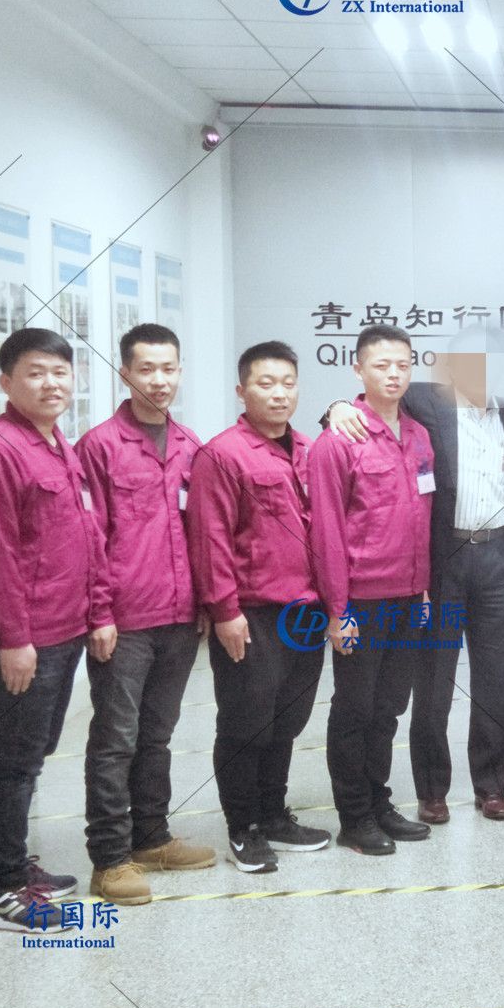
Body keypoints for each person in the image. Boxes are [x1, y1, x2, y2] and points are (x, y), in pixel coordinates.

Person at [327, 332, 504, 821]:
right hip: (445, 561)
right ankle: (432, 790)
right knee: (434, 682)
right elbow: (369, 404)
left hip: (497, 560)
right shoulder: (426, 402)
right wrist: (334, 407)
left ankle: (491, 785)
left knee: (495, 681)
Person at [0, 328, 111, 931]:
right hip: (27, 638)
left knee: (33, 752)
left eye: (60, 372)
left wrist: (98, 612)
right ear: (6, 382)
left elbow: (87, 536)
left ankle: (15, 864)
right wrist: (13, 638)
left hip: (63, 629)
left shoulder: (57, 443)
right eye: (35, 372)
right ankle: (3, 887)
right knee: (14, 759)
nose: (51, 383)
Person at [74, 323, 214, 906]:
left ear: (180, 372)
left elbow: (201, 530)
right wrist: (99, 613)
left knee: (158, 734)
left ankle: (151, 837)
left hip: (179, 616)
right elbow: (89, 538)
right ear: (125, 373)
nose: (159, 380)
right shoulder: (99, 446)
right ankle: (109, 859)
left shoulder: (189, 443)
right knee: (116, 739)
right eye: (147, 369)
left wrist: (204, 603)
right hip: (124, 619)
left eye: (169, 368)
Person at [187, 341, 331, 874]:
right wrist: (225, 611)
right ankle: (243, 827)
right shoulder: (222, 455)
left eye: (288, 383)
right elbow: (210, 538)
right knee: (247, 721)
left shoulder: (310, 450)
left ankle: (273, 814)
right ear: (241, 390)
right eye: (265, 383)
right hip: (252, 612)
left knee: (287, 719)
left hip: (306, 611)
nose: (278, 394)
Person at [308, 324, 437, 855]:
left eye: (403, 365)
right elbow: (327, 533)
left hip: (408, 598)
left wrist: (422, 589)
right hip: (361, 599)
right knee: (354, 710)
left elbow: (421, 516)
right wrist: (337, 610)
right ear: (358, 369)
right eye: (382, 365)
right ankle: (354, 817)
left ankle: (379, 803)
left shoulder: (419, 435)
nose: (393, 374)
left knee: (388, 709)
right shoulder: (338, 440)